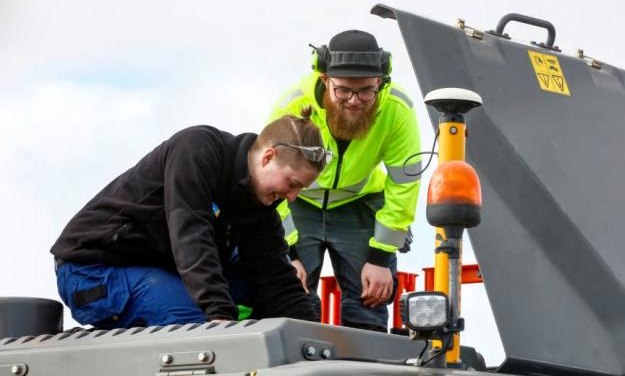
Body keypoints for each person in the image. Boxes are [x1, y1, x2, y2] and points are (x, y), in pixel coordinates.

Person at [51, 107, 331, 328]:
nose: (293, 197)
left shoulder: (259, 205)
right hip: (94, 269)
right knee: (196, 325)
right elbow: (191, 234)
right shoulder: (199, 149)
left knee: (300, 304)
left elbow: (275, 275)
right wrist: (219, 313)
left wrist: (314, 340)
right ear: (268, 157)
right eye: (292, 183)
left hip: (166, 267)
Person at [270, 30, 421, 332]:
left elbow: (404, 185)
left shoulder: (397, 110)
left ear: (381, 81)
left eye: (366, 91)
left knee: (372, 298)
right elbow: (272, 185)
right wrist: (289, 253)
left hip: (358, 205)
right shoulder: (291, 106)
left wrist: (381, 257)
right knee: (288, 292)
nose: (354, 101)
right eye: (343, 91)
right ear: (325, 79)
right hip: (298, 203)